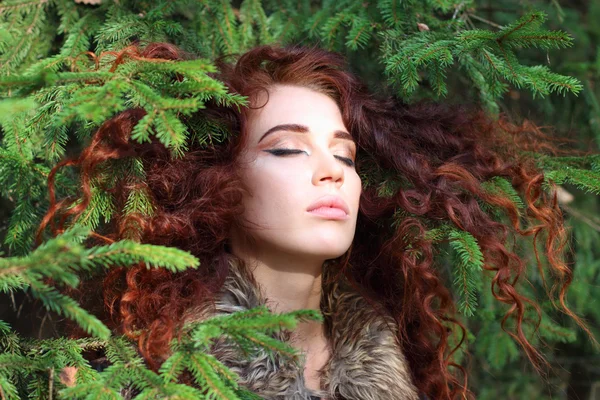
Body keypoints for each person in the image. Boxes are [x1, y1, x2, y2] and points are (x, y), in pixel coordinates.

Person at [39, 42, 592, 399]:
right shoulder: (139, 375)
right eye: (287, 150)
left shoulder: (401, 370)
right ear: (220, 182)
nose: (331, 173)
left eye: (346, 156)